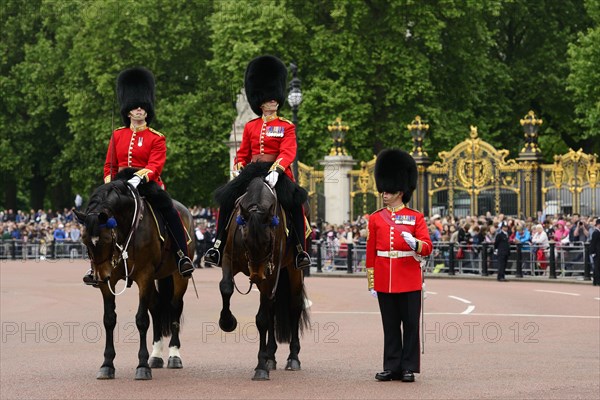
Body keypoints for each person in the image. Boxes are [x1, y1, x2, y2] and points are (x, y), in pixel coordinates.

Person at [83, 67, 193, 285]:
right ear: (128, 111)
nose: (139, 110)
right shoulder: (117, 135)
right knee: (96, 215)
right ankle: (95, 264)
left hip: (146, 184)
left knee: (170, 211)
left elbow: (156, 165)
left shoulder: (156, 138)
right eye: (135, 107)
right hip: (119, 186)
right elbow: (109, 165)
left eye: (143, 107)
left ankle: (182, 256)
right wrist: (110, 185)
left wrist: (139, 178)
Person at [203, 55, 311, 270]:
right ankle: (217, 245)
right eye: (268, 98)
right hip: (252, 171)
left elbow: (288, 151)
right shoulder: (251, 126)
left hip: (275, 172)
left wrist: (277, 170)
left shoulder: (286, 126)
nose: (273, 101)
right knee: (226, 199)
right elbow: (242, 153)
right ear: (260, 102)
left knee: (296, 203)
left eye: (274, 98)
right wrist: (238, 166)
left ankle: (300, 250)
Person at [366, 148, 432, 383]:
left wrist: (415, 244)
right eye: (383, 190)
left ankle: (408, 367)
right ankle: (392, 366)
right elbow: (371, 252)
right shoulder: (375, 218)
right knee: (390, 326)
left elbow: (427, 246)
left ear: (400, 191)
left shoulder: (416, 218)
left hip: (409, 277)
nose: (384, 194)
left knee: (411, 326)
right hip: (385, 278)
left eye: (389, 191)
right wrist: (372, 282)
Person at [590, 218, 600, 286]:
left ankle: (596, 281)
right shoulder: (596, 232)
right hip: (597, 252)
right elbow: (593, 243)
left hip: (597, 252)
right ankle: (597, 281)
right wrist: (593, 252)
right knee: (597, 267)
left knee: (597, 267)